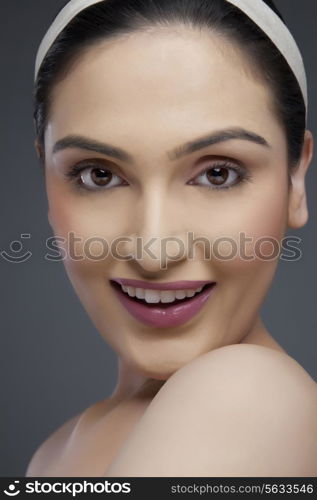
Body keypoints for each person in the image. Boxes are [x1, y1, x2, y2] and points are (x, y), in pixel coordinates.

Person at [26, 0, 316, 477]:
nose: (154, 250)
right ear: (46, 178)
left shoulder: (248, 395)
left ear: (297, 177)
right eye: (99, 175)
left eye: (218, 174)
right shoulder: (56, 451)